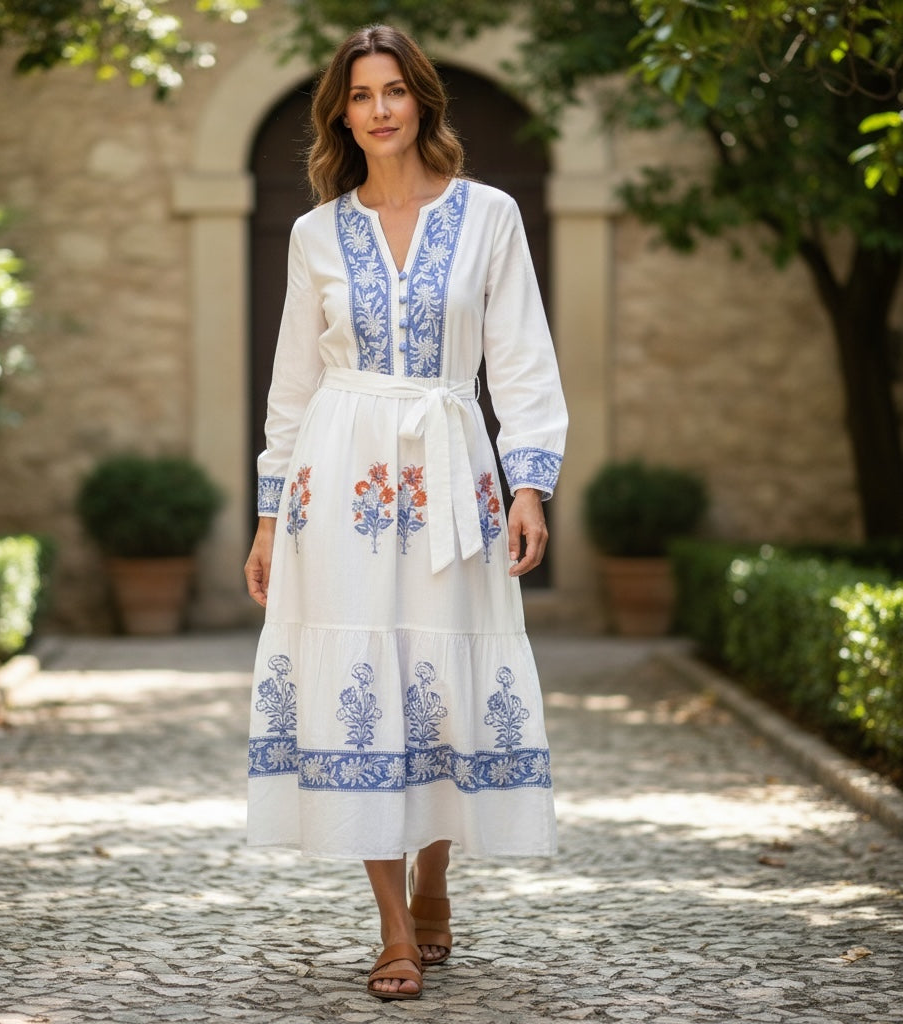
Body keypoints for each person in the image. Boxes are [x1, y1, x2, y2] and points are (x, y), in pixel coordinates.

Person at [244, 24, 568, 1001]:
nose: (379, 107)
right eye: (360, 94)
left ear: (421, 99)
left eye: (393, 89)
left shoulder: (489, 217)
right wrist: (267, 515)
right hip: (336, 482)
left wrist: (528, 482)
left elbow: (519, 358)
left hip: (452, 475)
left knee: (436, 681)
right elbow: (293, 385)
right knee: (361, 680)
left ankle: (435, 871)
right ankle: (391, 924)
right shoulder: (314, 234)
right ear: (340, 113)